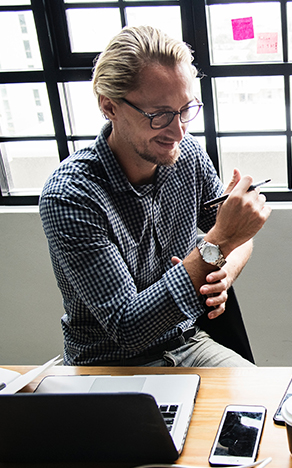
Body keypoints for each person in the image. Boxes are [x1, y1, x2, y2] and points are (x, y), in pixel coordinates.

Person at [39, 26, 271, 367]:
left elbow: (235, 238)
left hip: (187, 343)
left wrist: (224, 273)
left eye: (186, 109)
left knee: (263, 403)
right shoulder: (70, 196)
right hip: (108, 363)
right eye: (159, 115)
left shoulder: (187, 155)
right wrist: (218, 244)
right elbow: (128, 328)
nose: (178, 131)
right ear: (110, 107)